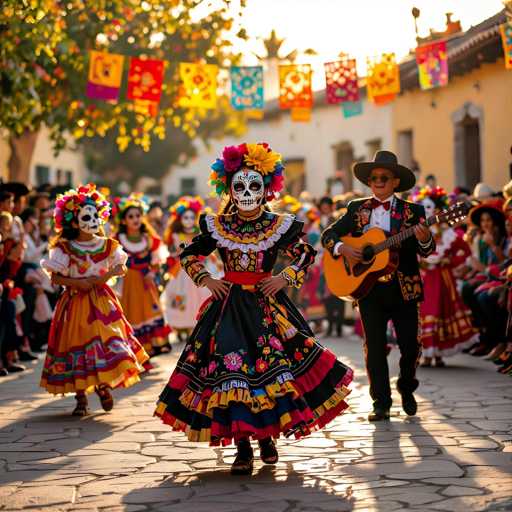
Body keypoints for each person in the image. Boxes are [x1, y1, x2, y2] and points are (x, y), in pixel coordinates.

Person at [154, 143, 353, 475]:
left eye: (254, 186)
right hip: (228, 308)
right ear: (230, 190)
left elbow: (305, 254)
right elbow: (187, 255)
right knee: (233, 375)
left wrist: (284, 278)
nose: (247, 193)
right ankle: (243, 448)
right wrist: (207, 279)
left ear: (266, 190)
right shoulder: (218, 226)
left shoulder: (278, 226)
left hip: (268, 309)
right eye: (240, 187)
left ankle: (266, 440)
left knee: (271, 372)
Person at [321, 150, 435, 421]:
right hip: (369, 289)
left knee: (410, 346)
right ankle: (380, 402)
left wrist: (425, 238)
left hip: (404, 289)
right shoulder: (356, 209)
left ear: (395, 181)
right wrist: (343, 248)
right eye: (373, 178)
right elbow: (328, 235)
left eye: (384, 177)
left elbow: (427, 251)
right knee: (374, 347)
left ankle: (406, 387)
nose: (378, 181)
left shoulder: (413, 211)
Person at [40, 184, 149, 416]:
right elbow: (55, 277)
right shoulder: (64, 248)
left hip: (101, 302)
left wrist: (114, 271)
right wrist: (76, 283)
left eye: (94, 215)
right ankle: (81, 398)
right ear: (73, 220)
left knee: (106, 343)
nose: (92, 220)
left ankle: (103, 385)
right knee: (74, 347)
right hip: (75, 303)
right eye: (85, 216)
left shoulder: (107, 245)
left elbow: (121, 267)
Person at [412, 186, 477, 367]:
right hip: (424, 277)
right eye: (424, 208)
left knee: (441, 310)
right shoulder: (418, 231)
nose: (428, 211)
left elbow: (463, 251)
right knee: (424, 312)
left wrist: (452, 262)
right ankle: (426, 355)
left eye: (431, 207)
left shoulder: (449, 234)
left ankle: (438, 354)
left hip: (443, 278)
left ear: (439, 209)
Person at [115, 193, 171, 359]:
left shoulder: (149, 238)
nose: (135, 219)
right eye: (131, 216)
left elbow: (158, 257)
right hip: (128, 282)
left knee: (149, 312)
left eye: (138, 215)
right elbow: (112, 260)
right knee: (132, 313)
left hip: (146, 281)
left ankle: (150, 348)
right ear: (124, 220)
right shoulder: (118, 239)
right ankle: (134, 350)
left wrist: (152, 272)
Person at [161, 196, 210, 342]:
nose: (188, 220)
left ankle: (196, 327)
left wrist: (214, 260)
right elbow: (173, 252)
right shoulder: (176, 235)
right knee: (181, 298)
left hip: (198, 269)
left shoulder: (199, 234)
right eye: (185, 217)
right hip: (182, 272)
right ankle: (182, 327)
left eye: (191, 217)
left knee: (200, 297)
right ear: (180, 219)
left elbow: (206, 251)